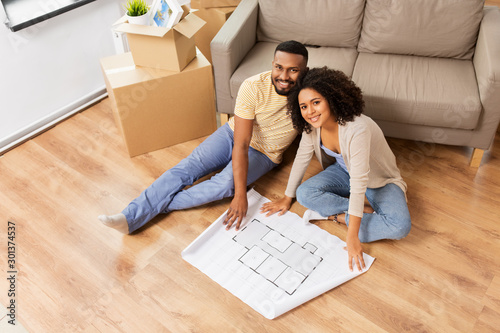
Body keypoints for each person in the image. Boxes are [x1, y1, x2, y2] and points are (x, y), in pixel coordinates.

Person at [99, 40, 309, 234]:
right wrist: (240, 195)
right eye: (279, 67)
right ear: (272, 64)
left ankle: (150, 208)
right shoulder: (253, 86)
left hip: (265, 153)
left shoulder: (311, 94)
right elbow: (241, 143)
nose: (284, 76)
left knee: (225, 184)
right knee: (188, 168)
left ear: (304, 71)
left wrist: (235, 191)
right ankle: (129, 217)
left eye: (293, 70)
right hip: (233, 135)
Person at [261, 67, 411, 272]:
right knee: (303, 194)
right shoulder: (312, 127)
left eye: (316, 102)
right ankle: (358, 213)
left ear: (331, 98)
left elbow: (359, 184)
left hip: (379, 181)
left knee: (400, 227)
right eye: (304, 106)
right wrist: (288, 197)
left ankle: (336, 217)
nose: (310, 112)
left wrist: (353, 238)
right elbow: (301, 159)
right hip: (344, 172)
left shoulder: (357, 128)